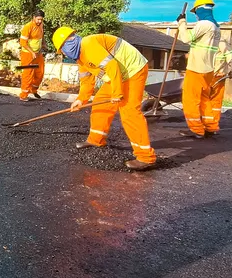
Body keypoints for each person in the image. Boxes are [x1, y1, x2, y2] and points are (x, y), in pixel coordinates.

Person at [51, 26, 157, 170]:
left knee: (129, 111)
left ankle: (146, 157)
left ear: (69, 41)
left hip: (132, 70)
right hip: (117, 76)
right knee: (100, 104)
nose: (64, 52)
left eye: (62, 48)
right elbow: (87, 81)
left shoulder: (88, 45)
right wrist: (81, 100)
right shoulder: (80, 58)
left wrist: (117, 94)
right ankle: (96, 139)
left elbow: (113, 66)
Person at [177, 0, 221, 139]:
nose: (195, 15)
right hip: (208, 69)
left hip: (196, 68)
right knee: (204, 99)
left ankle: (196, 129)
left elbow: (185, 38)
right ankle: (210, 126)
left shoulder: (204, 24)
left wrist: (182, 22)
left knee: (190, 99)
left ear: (200, 9)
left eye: (195, 11)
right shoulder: (216, 27)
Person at [207, 37, 232, 135]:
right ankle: (205, 126)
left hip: (216, 76)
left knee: (213, 102)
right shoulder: (206, 42)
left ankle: (210, 127)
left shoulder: (221, 44)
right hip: (206, 76)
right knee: (205, 101)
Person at [18, 10, 46, 101]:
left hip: (38, 53)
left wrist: (44, 45)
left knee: (40, 72)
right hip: (27, 54)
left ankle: (33, 90)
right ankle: (24, 95)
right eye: (38, 19)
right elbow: (23, 42)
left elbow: (42, 36)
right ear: (33, 17)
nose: (40, 21)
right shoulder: (27, 27)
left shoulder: (41, 25)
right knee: (28, 74)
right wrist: (31, 52)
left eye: (41, 19)